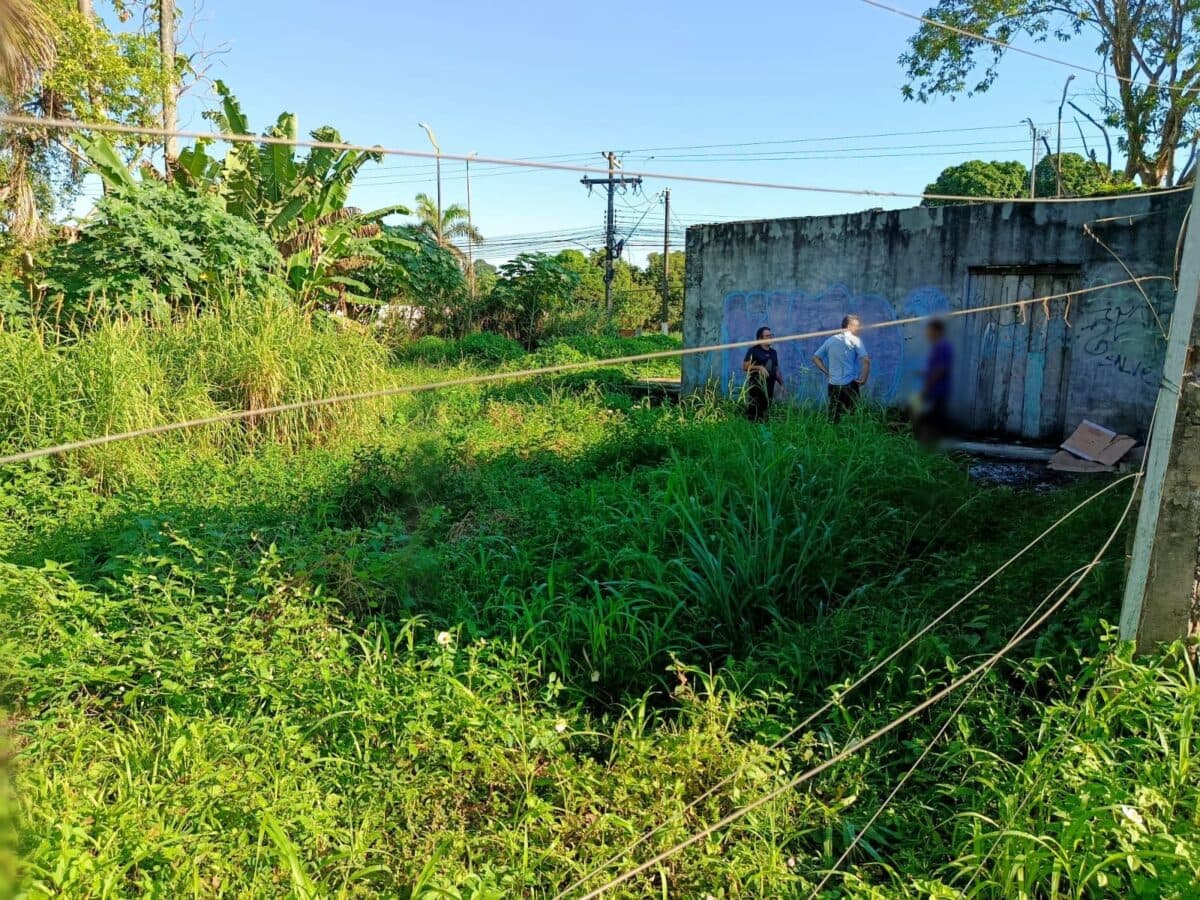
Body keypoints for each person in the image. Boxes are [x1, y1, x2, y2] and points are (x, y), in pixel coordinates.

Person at [812, 315, 870, 421]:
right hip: (849, 385)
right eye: (857, 326)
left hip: (833, 384)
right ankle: (851, 436)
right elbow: (866, 360)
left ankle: (833, 436)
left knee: (833, 417)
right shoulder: (855, 340)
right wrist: (864, 379)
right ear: (849, 326)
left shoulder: (830, 340)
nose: (859, 328)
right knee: (854, 416)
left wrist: (827, 372)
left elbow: (815, 358)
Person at [915, 319, 953, 444]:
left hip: (937, 390)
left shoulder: (941, 346)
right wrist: (924, 373)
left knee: (931, 418)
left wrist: (926, 388)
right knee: (934, 418)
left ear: (937, 331)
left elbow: (940, 370)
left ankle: (930, 445)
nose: (928, 334)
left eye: (930, 331)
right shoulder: (940, 346)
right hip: (938, 389)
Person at [742, 326, 785, 422]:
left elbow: (776, 369)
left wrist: (782, 384)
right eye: (767, 336)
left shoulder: (773, 352)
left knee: (765, 415)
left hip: (769, 389)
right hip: (756, 389)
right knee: (753, 416)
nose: (770, 337)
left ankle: (763, 433)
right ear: (760, 339)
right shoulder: (753, 351)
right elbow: (744, 367)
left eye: (771, 335)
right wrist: (759, 367)